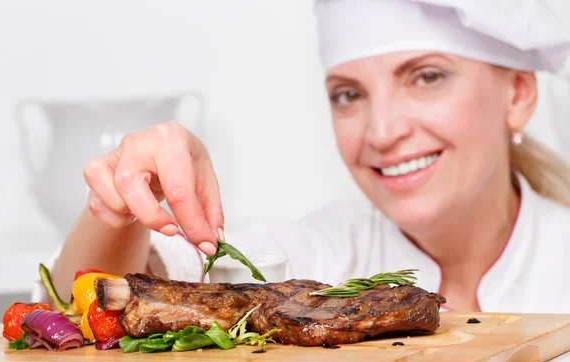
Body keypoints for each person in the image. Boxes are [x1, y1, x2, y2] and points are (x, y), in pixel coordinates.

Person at [32, 0, 570, 313]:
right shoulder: (320, 257)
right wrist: (121, 207)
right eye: (348, 94)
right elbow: (90, 303)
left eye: (426, 77)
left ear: (518, 94)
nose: (381, 132)